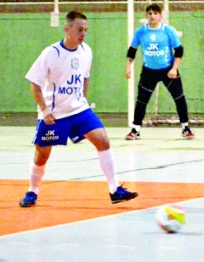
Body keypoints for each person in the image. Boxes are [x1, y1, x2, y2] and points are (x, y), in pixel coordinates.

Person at [19, 10, 138, 207]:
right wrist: (44, 109)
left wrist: (82, 98)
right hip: (54, 114)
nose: (83, 34)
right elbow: (34, 84)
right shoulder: (51, 53)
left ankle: (114, 189)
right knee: (41, 155)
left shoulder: (86, 51)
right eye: (79, 30)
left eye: (86, 30)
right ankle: (32, 191)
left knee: (103, 140)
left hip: (78, 110)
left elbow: (85, 77)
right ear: (67, 29)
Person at [124, 3, 194, 140]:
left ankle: (185, 127)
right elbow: (132, 50)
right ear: (146, 16)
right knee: (141, 101)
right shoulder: (141, 32)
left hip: (168, 70)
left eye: (155, 13)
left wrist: (174, 68)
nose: (152, 16)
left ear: (160, 16)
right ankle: (135, 129)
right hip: (149, 71)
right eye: (149, 13)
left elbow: (179, 50)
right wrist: (128, 67)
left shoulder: (167, 31)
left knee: (179, 98)